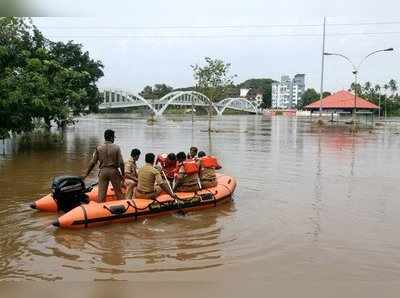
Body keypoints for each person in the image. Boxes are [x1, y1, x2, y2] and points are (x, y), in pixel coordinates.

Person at [83, 129, 125, 202]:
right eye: (114, 138)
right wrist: (123, 175)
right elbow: (121, 163)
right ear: (111, 137)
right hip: (113, 171)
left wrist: (86, 174)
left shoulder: (99, 148)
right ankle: (123, 209)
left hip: (103, 172)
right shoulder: (116, 148)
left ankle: (100, 208)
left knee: (101, 195)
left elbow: (93, 163)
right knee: (119, 194)